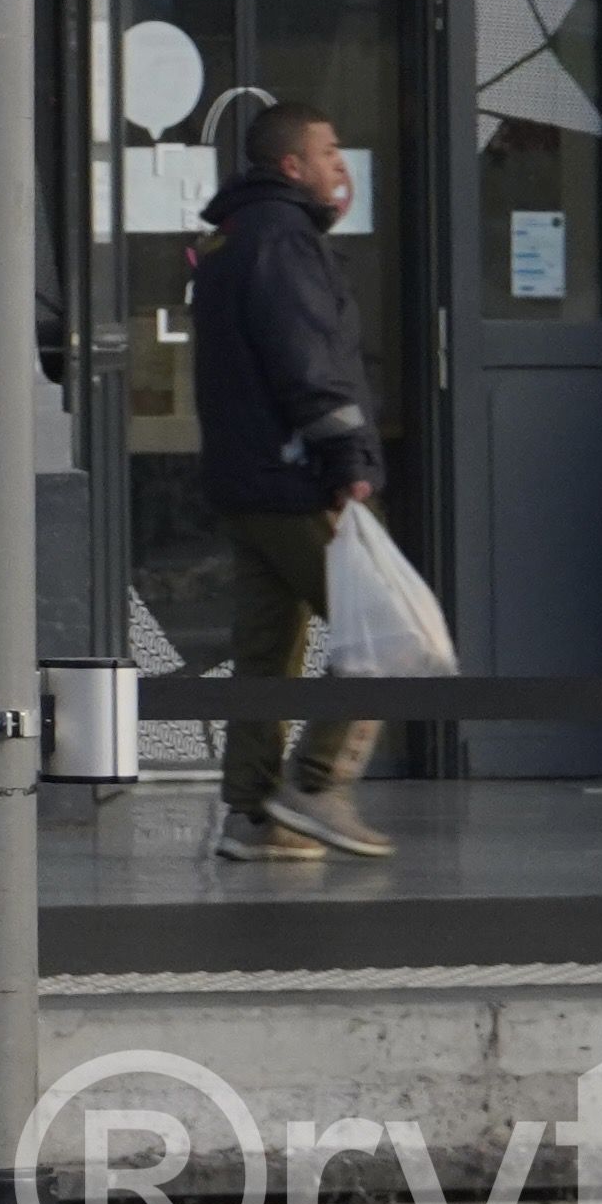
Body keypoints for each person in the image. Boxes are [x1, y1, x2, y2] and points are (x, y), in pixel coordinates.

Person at [187, 100, 394, 865]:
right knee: (383, 629)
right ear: (291, 166)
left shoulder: (233, 236)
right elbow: (307, 360)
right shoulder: (282, 239)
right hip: (295, 475)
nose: (341, 164)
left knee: (266, 651)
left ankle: (249, 814)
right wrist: (348, 460)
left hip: (245, 480)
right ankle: (317, 784)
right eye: (330, 149)